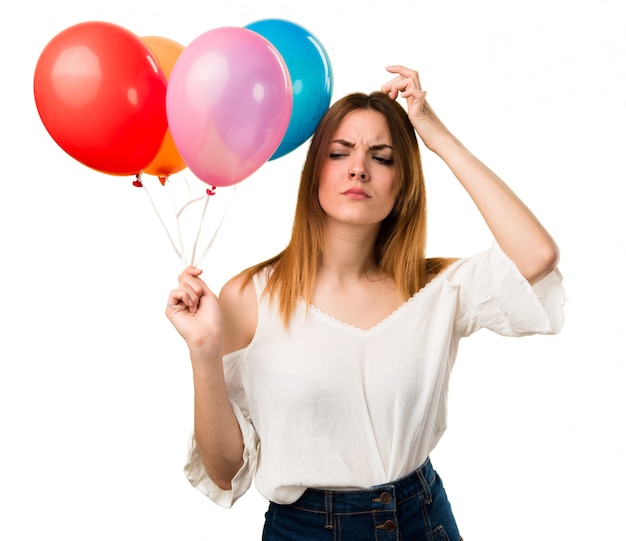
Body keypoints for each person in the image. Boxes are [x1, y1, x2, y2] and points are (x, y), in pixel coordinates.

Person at [166, 65, 564, 540]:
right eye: (339, 153)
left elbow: (536, 255)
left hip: (422, 521)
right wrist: (204, 351)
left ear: (403, 184)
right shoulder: (251, 297)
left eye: (383, 157)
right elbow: (225, 469)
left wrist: (435, 136)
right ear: (315, 171)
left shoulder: (437, 289)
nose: (358, 168)